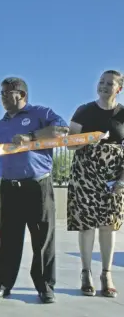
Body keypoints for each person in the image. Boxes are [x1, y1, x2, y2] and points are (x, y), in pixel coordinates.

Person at [0, 77, 69, 304]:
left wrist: (31, 137)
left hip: (37, 185)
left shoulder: (40, 114)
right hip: (10, 187)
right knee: (9, 239)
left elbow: (62, 130)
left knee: (42, 239)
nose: (2, 97)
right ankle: (3, 285)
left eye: (5, 93)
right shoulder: (0, 125)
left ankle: (45, 287)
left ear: (20, 94)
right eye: (0, 93)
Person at [67, 70, 124, 298]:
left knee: (109, 225)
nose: (103, 86)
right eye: (101, 82)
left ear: (118, 88)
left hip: (113, 177)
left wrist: (122, 179)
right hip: (85, 175)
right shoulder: (84, 111)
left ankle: (106, 274)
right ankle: (86, 273)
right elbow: (69, 144)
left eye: (109, 83)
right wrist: (89, 139)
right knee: (87, 225)